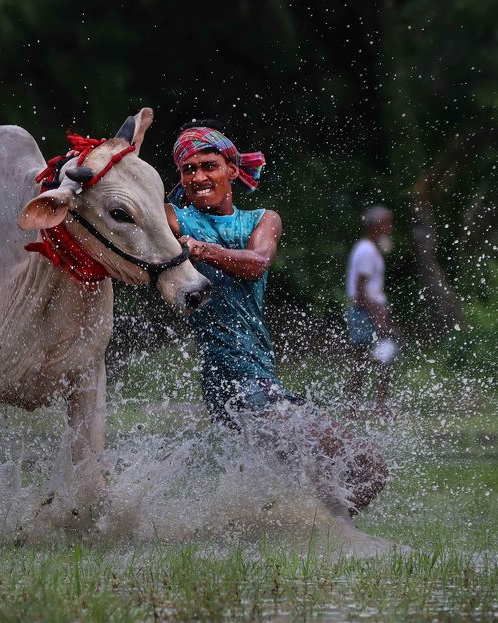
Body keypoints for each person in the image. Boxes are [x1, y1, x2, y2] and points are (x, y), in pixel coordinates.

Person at [164, 120, 387, 513]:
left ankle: (321, 533)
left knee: (357, 473)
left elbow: (257, 263)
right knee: (365, 467)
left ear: (232, 169)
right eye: (189, 169)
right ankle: (321, 534)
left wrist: (200, 250)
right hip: (230, 381)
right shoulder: (174, 219)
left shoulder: (262, 219)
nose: (199, 176)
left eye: (209, 165)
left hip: (262, 376)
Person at [346, 206, 395, 415]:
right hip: (365, 311)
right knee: (369, 359)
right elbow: (361, 288)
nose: (390, 228)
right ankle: (368, 405)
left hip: (369, 310)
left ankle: (363, 404)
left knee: (373, 358)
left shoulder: (370, 248)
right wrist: (378, 317)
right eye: (387, 223)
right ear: (376, 226)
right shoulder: (367, 250)